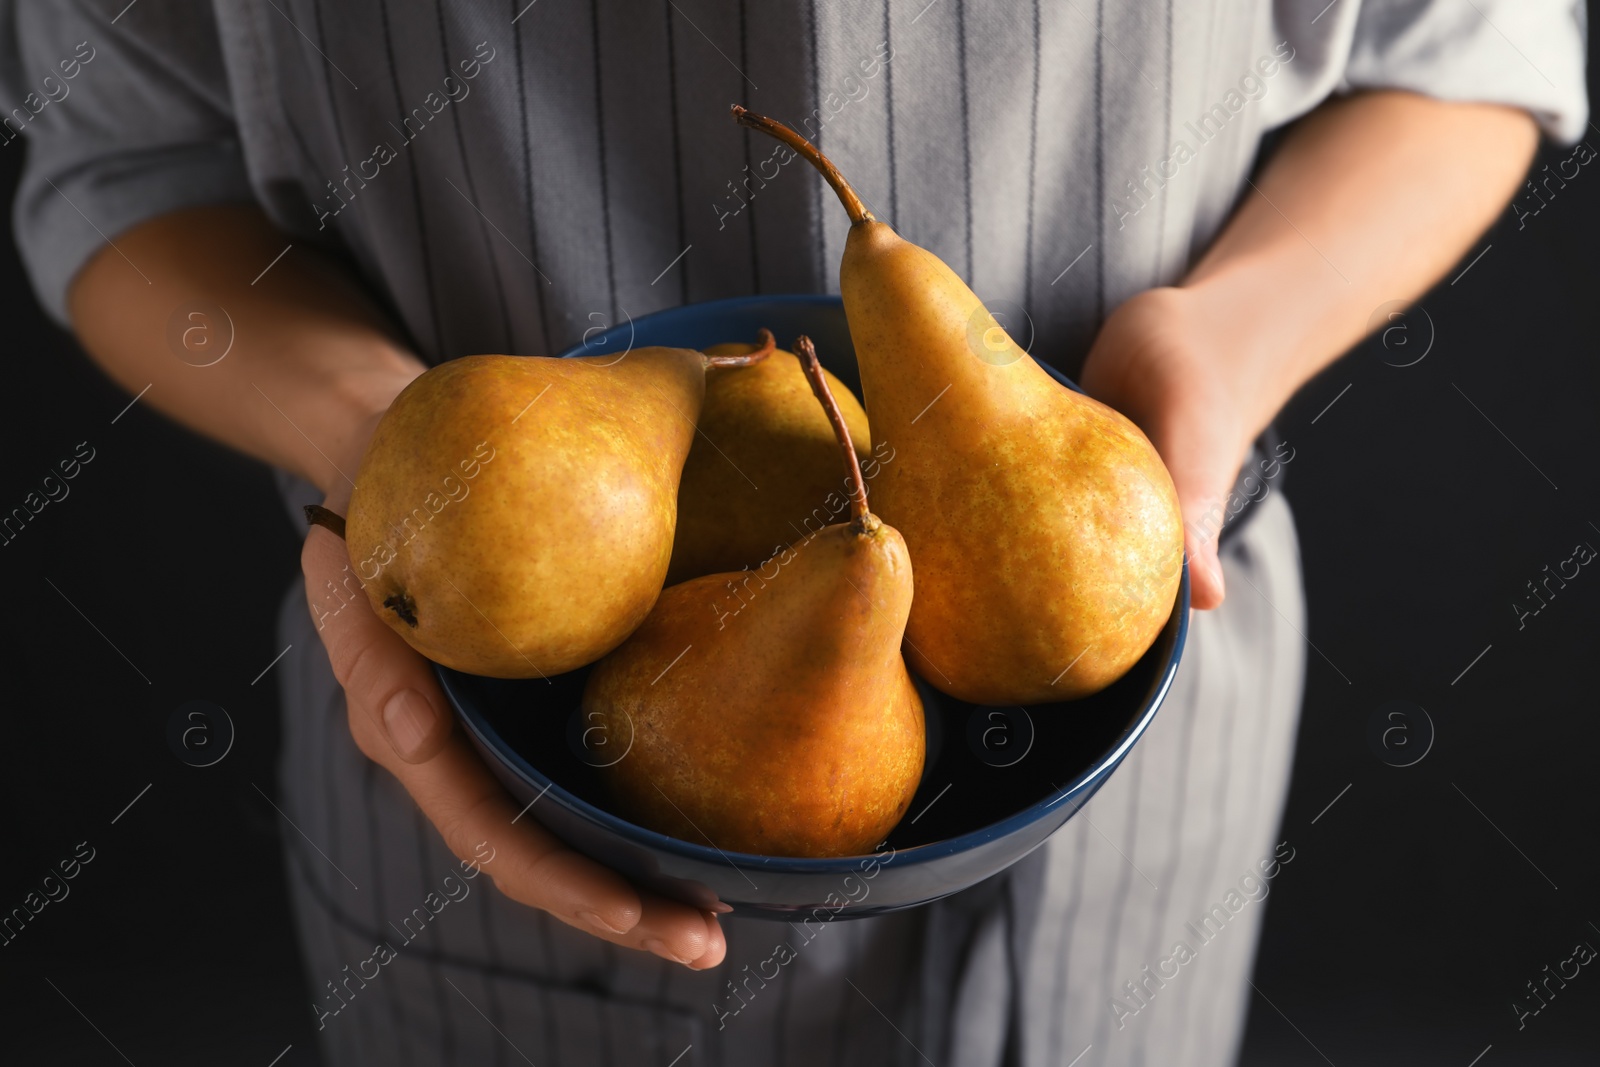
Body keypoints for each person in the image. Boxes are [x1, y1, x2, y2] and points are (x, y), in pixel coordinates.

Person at [4, 1, 1585, 1064]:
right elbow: (126, 160)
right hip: (491, 766)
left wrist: (1222, 349)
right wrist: (392, 450)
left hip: (1148, 761)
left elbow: (1470, 47)